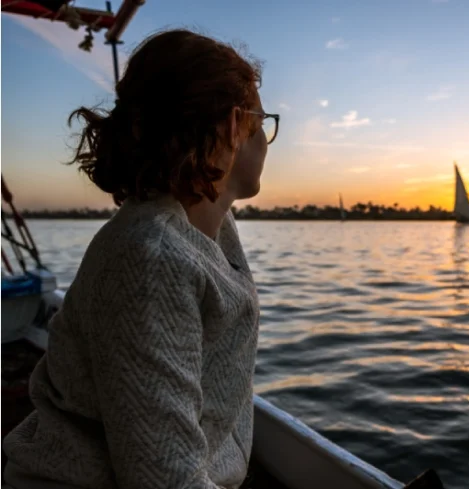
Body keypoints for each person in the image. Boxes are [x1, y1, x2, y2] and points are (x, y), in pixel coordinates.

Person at [3, 29, 278, 489]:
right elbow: (163, 478)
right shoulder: (149, 258)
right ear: (233, 125)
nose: (267, 140)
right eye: (262, 121)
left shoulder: (208, 231)